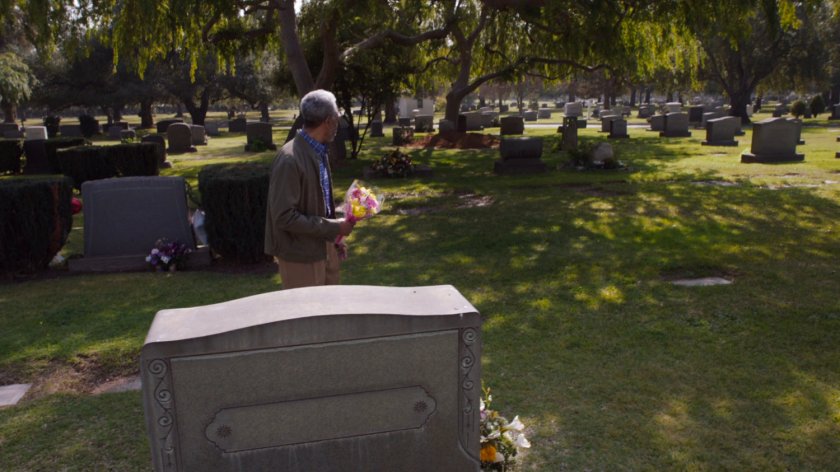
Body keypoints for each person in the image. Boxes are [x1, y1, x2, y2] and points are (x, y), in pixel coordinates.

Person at [264, 89, 354, 289]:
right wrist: (334, 227)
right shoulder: (290, 159)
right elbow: (284, 216)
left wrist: (335, 238)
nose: (338, 123)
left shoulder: (318, 151)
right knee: (307, 316)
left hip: (325, 248)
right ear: (328, 121)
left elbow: (319, 205)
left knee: (330, 314)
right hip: (300, 257)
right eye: (337, 117)